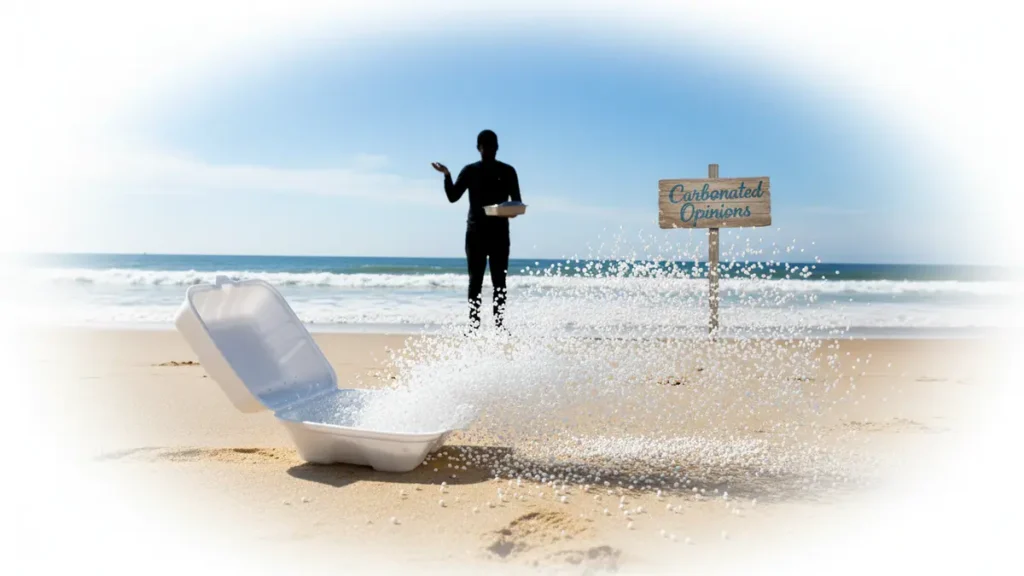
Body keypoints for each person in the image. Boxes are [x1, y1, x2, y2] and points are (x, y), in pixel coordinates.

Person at [431, 129, 521, 333]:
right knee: (478, 281)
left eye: (491, 146)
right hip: (478, 234)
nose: (489, 150)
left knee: (497, 281)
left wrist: (513, 211)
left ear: (496, 148)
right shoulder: (471, 171)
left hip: (494, 233)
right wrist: (447, 176)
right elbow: (453, 196)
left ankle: (495, 325)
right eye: (486, 146)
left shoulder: (507, 171)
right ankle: (476, 326)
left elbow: (516, 202)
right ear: (479, 148)